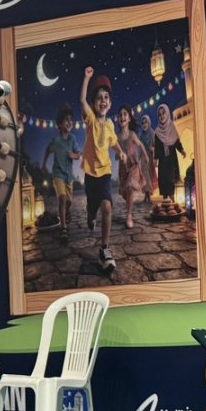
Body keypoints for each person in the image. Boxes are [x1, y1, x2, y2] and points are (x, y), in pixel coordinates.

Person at [79, 67, 125, 272]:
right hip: (91, 174)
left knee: (106, 207)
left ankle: (104, 249)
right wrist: (86, 78)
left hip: (105, 172)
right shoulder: (90, 119)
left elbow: (113, 142)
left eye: (106, 97)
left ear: (110, 103)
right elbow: (82, 100)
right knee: (93, 208)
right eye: (99, 98)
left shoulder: (110, 125)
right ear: (94, 103)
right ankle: (90, 217)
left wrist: (121, 152)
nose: (103, 100)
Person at [42, 103, 81, 234]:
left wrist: (74, 155)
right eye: (66, 120)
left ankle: (66, 211)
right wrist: (44, 164)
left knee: (68, 201)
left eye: (71, 119)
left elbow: (78, 154)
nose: (69, 122)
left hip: (69, 176)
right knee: (62, 198)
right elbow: (48, 150)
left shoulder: (73, 139)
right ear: (59, 124)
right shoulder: (57, 140)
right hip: (58, 174)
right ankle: (63, 227)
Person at [115, 104, 152, 230]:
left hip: (134, 165)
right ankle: (129, 203)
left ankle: (129, 216)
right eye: (120, 115)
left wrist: (146, 156)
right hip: (123, 168)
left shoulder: (132, 135)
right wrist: (118, 155)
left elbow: (140, 145)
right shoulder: (116, 136)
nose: (122, 116)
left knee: (130, 187)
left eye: (125, 114)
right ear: (118, 119)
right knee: (126, 193)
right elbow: (116, 153)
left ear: (129, 118)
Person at [153, 102, 184, 204]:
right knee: (163, 178)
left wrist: (181, 150)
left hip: (171, 158)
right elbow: (157, 147)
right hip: (163, 160)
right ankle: (166, 198)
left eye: (163, 113)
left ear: (167, 113)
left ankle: (172, 197)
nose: (161, 116)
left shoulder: (172, 127)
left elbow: (176, 141)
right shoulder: (157, 131)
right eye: (159, 114)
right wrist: (156, 159)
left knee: (171, 177)